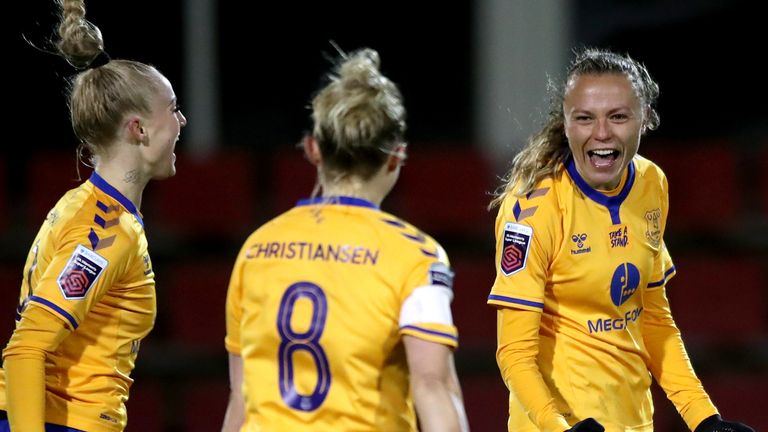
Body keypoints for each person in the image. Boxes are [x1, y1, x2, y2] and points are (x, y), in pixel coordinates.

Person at [487, 48, 754, 432]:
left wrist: (704, 419)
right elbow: (514, 353)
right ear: (565, 124)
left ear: (644, 119)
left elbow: (655, 321)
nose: (601, 133)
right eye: (584, 118)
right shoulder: (533, 207)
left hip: (636, 422)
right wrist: (560, 427)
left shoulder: (651, 184)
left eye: (617, 116)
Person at [221, 48, 468, 432]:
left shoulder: (256, 248)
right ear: (396, 156)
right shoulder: (418, 256)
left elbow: (241, 399)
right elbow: (433, 386)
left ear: (313, 149)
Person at [0, 0, 186, 430]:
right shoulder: (102, 231)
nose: (182, 120)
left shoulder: (84, 206)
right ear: (138, 129)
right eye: (172, 108)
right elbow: (26, 348)